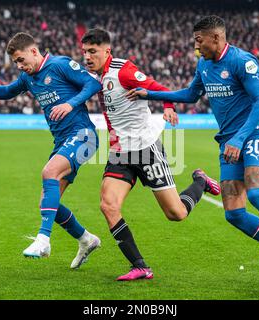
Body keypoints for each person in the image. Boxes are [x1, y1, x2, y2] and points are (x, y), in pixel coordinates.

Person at [126, 16, 259, 289]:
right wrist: (148, 95)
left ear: (216, 38)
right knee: (234, 214)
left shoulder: (242, 61)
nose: (196, 45)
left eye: (199, 40)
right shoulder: (203, 65)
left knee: (258, 193)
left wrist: (239, 138)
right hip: (228, 142)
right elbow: (190, 95)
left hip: (254, 133)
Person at [0, 32, 102, 269]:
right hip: (63, 141)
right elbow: (7, 91)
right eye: (16, 63)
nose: (20, 66)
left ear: (33, 51)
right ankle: (86, 239)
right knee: (48, 203)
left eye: (21, 60)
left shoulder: (59, 65)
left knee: (49, 172)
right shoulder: (28, 78)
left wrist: (70, 103)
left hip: (84, 136)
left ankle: (43, 240)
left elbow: (93, 83)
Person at [81, 28, 221, 281]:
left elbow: (159, 87)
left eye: (92, 52)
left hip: (146, 149)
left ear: (107, 51)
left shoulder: (124, 70)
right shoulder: (93, 77)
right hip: (120, 152)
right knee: (108, 205)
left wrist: (168, 106)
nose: (87, 57)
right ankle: (140, 266)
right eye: (84, 52)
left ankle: (200, 181)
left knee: (175, 214)